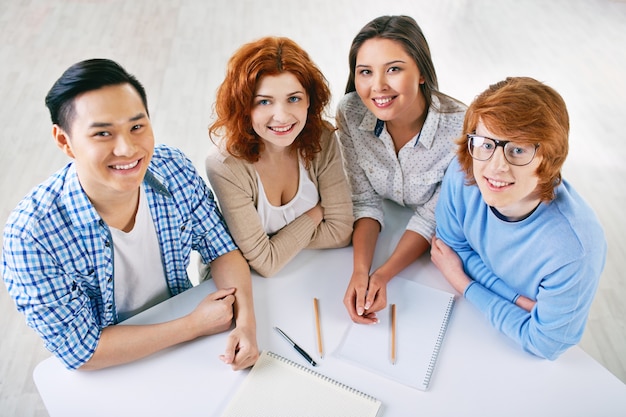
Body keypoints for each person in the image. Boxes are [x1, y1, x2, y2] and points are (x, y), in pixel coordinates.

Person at [1, 59, 259, 371]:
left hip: (190, 348)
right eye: (102, 134)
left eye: (137, 127)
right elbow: (81, 352)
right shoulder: (30, 235)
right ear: (64, 141)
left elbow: (221, 249)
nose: (127, 149)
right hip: (113, 367)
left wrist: (245, 325)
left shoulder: (172, 168)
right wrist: (192, 325)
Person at [431, 76, 607, 360]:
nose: (495, 167)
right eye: (486, 144)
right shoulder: (462, 174)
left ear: (549, 157)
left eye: (518, 150)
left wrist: (463, 282)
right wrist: (517, 300)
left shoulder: (575, 250)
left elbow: (545, 344)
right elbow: (450, 248)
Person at [337, 15, 466, 324]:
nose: (378, 86)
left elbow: (432, 217)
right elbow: (365, 201)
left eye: (393, 69)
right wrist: (360, 272)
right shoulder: (351, 113)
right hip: (384, 225)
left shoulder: (461, 127)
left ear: (421, 72)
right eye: (365, 72)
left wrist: (383, 275)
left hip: (436, 248)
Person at [206, 36, 354, 278]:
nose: (282, 117)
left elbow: (340, 231)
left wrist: (274, 244)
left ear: (309, 100)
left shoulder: (322, 137)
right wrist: (317, 213)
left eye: (293, 98)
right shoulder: (225, 165)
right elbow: (266, 263)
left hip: (305, 270)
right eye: (264, 102)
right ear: (244, 107)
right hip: (243, 285)